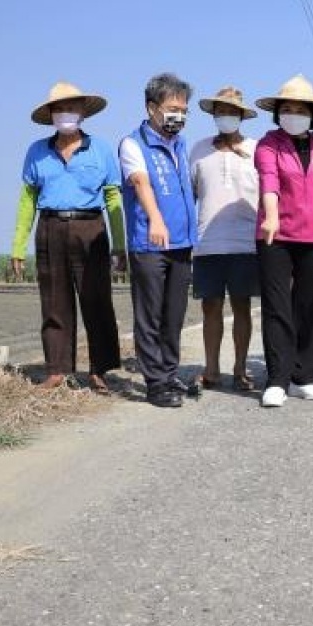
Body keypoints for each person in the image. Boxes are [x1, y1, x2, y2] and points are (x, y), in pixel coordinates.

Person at [12, 82, 124, 393]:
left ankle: (100, 370)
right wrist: (17, 246)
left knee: (97, 301)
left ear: (83, 113)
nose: (66, 114)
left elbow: (113, 198)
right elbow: (27, 201)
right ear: (50, 115)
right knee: (54, 303)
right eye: (60, 109)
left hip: (91, 229)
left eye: (72, 108)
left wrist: (120, 243)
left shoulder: (100, 150)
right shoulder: (36, 152)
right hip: (50, 228)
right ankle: (57, 370)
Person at [253, 75, 313, 408]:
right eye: (286, 108)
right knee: (277, 306)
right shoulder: (268, 144)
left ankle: (303, 375)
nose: (292, 114)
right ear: (277, 113)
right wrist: (271, 215)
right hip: (276, 235)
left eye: (300, 109)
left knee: (307, 306)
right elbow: (270, 183)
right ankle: (277, 379)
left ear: (312, 115)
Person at [119, 73, 199, 409]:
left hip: (182, 243)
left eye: (183, 109)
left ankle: (169, 374)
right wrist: (155, 218)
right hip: (150, 243)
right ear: (152, 107)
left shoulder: (180, 144)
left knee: (174, 315)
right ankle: (155, 384)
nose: (178, 115)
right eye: (172, 108)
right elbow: (140, 183)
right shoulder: (132, 144)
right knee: (150, 315)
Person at [189, 86, 260, 392]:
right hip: (207, 242)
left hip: (246, 241)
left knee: (242, 306)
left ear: (242, 116)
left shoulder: (258, 150)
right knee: (210, 307)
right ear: (213, 115)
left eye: (232, 111)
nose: (226, 116)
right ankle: (211, 369)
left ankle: (241, 369)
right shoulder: (199, 150)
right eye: (221, 111)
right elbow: (190, 194)